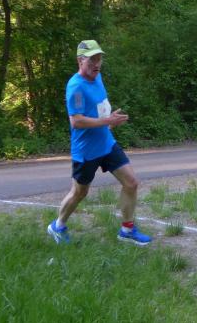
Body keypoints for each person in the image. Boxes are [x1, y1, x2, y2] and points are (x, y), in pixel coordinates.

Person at [47, 40, 152, 246]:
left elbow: (98, 107)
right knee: (80, 192)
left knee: (131, 182)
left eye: (99, 59)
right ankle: (57, 226)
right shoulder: (76, 87)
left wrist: (108, 120)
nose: (97, 64)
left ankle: (127, 230)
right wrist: (106, 121)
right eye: (92, 60)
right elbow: (76, 121)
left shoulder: (98, 77)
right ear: (80, 60)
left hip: (106, 143)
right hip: (86, 150)